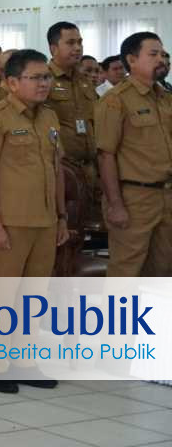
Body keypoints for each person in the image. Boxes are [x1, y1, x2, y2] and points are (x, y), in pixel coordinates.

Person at [0, 49, 67, 393]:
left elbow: (56, 170)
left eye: (47, 77)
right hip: (9, 222)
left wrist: (61, 217)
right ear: (12, 83)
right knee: (3, 294)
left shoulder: (50, 118)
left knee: (34, 295)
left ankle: (25, 361)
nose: (44, 84)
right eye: (36, 77)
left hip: (44, 220)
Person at [95, 32, 172, 277]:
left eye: (163, 54)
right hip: (133, 198)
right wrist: (116, 205)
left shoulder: (164, 98)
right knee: (126, 270)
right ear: (132, 59)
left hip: (166, 195)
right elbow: (105, 155)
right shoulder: (115, 100)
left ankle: (153, 316)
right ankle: (118, 316)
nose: (161, 59)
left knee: (163, 268)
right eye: (153, 54)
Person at [45, 22, 98, 193]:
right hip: (60, 170)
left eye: (80, 42)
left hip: (89, 168)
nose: (77, 48)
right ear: (53, 48)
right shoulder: (43, 79)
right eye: (70, 43)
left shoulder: (84, 80)